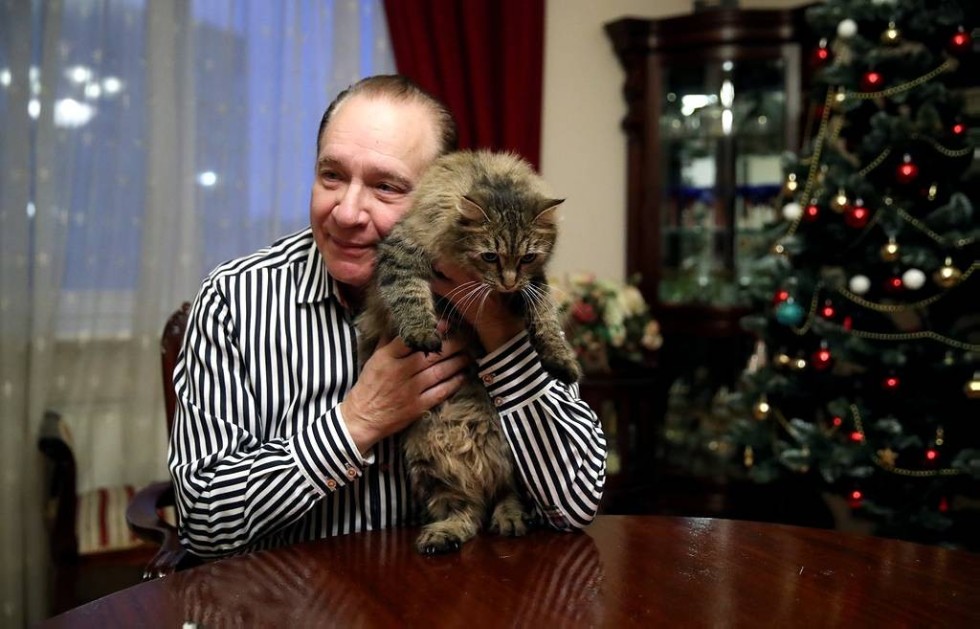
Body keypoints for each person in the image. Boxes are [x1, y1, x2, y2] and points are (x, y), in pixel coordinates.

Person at [169, 74, 607, 557]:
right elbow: (203, 522)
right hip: (290, 588)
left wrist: (499, 334)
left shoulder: (510, 288)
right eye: (331, 175)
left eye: (386, 186)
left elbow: (573, 506)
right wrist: (357, 422)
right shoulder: (235, 299)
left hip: (458, 586)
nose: (347, 212)